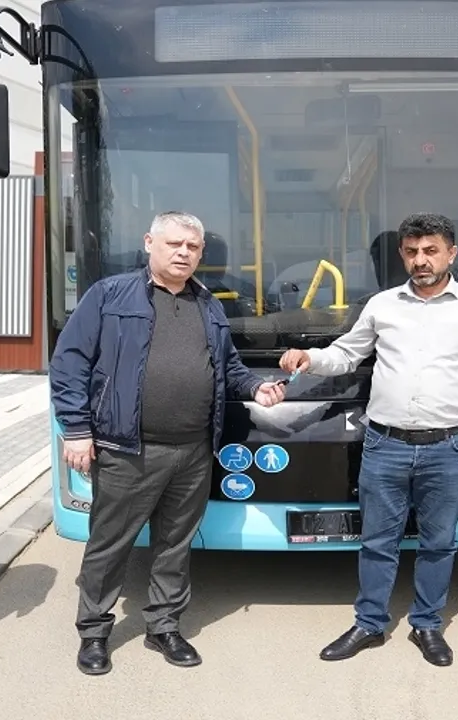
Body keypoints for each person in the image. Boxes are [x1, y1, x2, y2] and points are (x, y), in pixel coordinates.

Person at [50, 210, 287, 676]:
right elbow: (69, 364)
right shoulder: (109, 296)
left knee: (174, 545)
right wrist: (76, 431)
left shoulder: (209, 304)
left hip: (194, 451)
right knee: (110, 545)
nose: (183, 253)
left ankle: (163, 626)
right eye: (174, 244)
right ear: (149, 243)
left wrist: (256, 387)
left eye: (192, 247)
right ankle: (94, 633)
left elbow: (228, 367)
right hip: (127, 451)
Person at [279, 212, 458, 667]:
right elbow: (348, 354)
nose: (421, 260)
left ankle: (427, 624)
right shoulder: (382, 305)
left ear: (451, 254)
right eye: (411, 252)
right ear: (403, 256)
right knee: (376, 542)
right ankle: (369, 623)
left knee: (438, 542)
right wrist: (310, 357)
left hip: (450, 446)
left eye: (430, 251)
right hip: (385, 446)